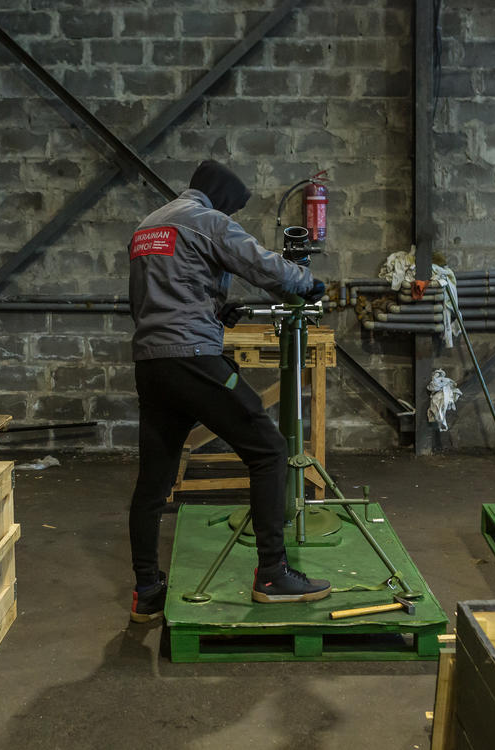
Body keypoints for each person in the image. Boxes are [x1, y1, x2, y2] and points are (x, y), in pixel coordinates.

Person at [127, 160, 331, 623]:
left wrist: (216, 311)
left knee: (153, 484)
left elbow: (157, 297)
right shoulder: (207, 221)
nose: (232, 218)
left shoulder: (147, 228)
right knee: (269, 450)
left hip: (152, 365)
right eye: (233, 210)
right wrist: (306, 282)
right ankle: (273, 575)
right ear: (221, 199)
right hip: (193, 360)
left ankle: (146, 591)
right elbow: (262, 265)